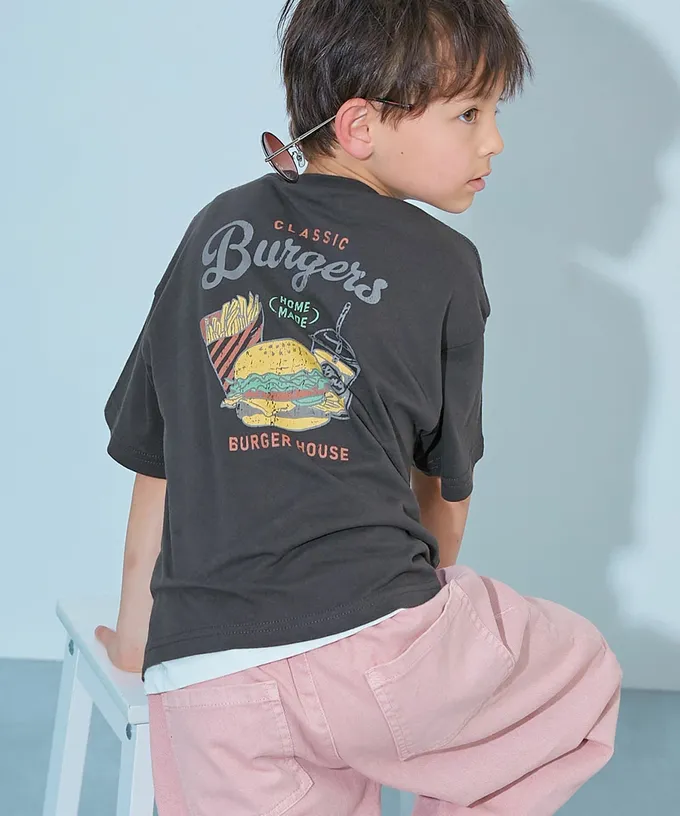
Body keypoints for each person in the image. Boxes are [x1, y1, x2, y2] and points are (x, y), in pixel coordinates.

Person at [96, 1, 622, 813]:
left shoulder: (213, 228)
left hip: (210, 675)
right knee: (581, 674)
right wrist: (431, 625)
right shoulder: (444, 263)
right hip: (380, 648)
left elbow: (155, 461)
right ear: (360, 125)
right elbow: (445, 490)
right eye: (470, 113)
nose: (494, 141)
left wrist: (138, 641)